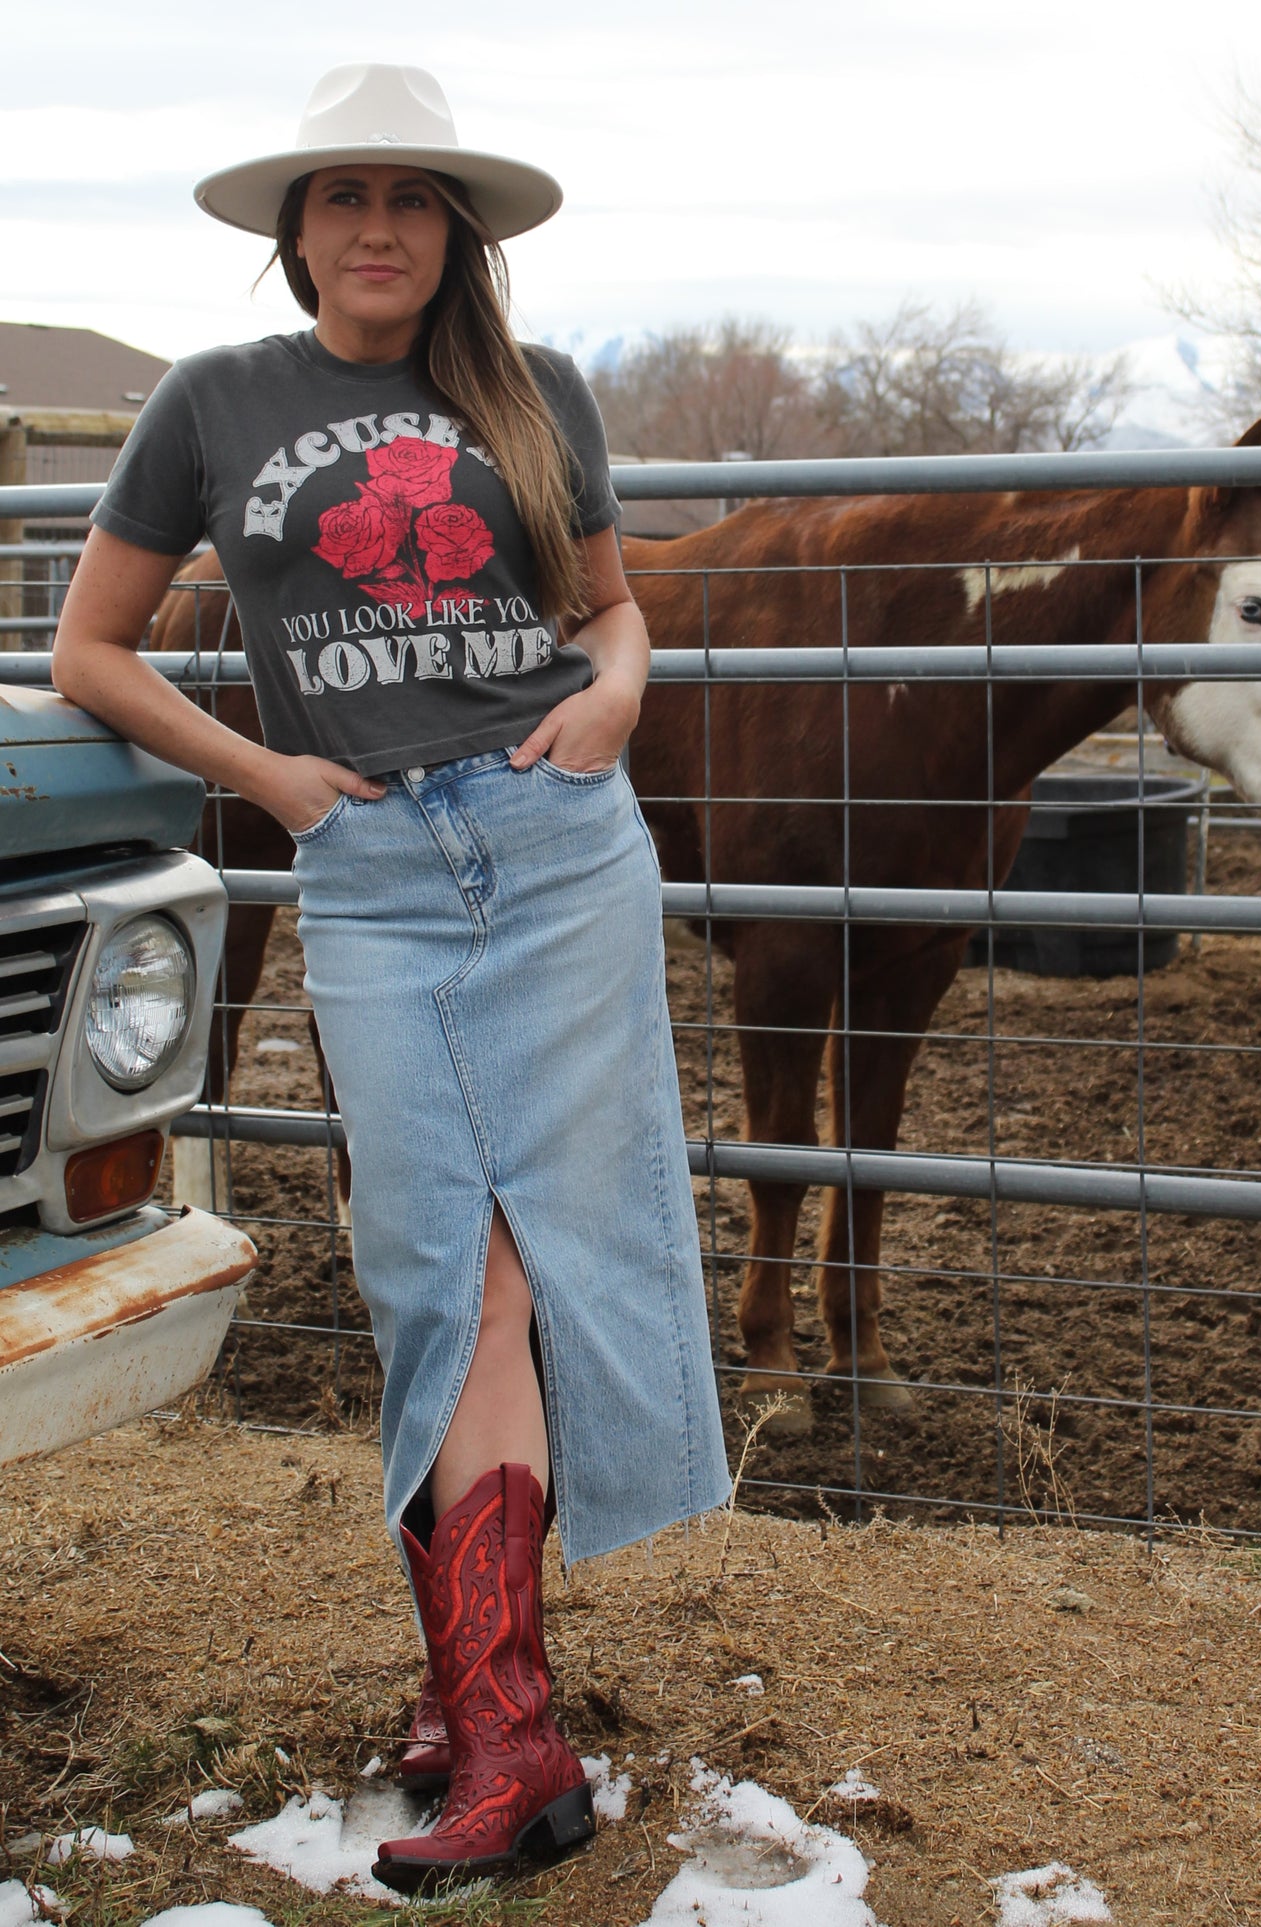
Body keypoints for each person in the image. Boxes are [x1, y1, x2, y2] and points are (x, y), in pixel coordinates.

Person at [52, 62, 731, 1897]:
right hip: (370, 870)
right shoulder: (212, 406)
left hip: (554, 849)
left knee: (536, 1253)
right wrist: (269, 779)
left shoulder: (533, 399)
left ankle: (499, 1727)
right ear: (294, 236)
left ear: (455, 234)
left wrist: (612, 691)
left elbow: (609, 607)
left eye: (410, 199)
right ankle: (485, 1697)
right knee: (434, 1260)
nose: (375, 227)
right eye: (341, 197)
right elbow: (90, 648)